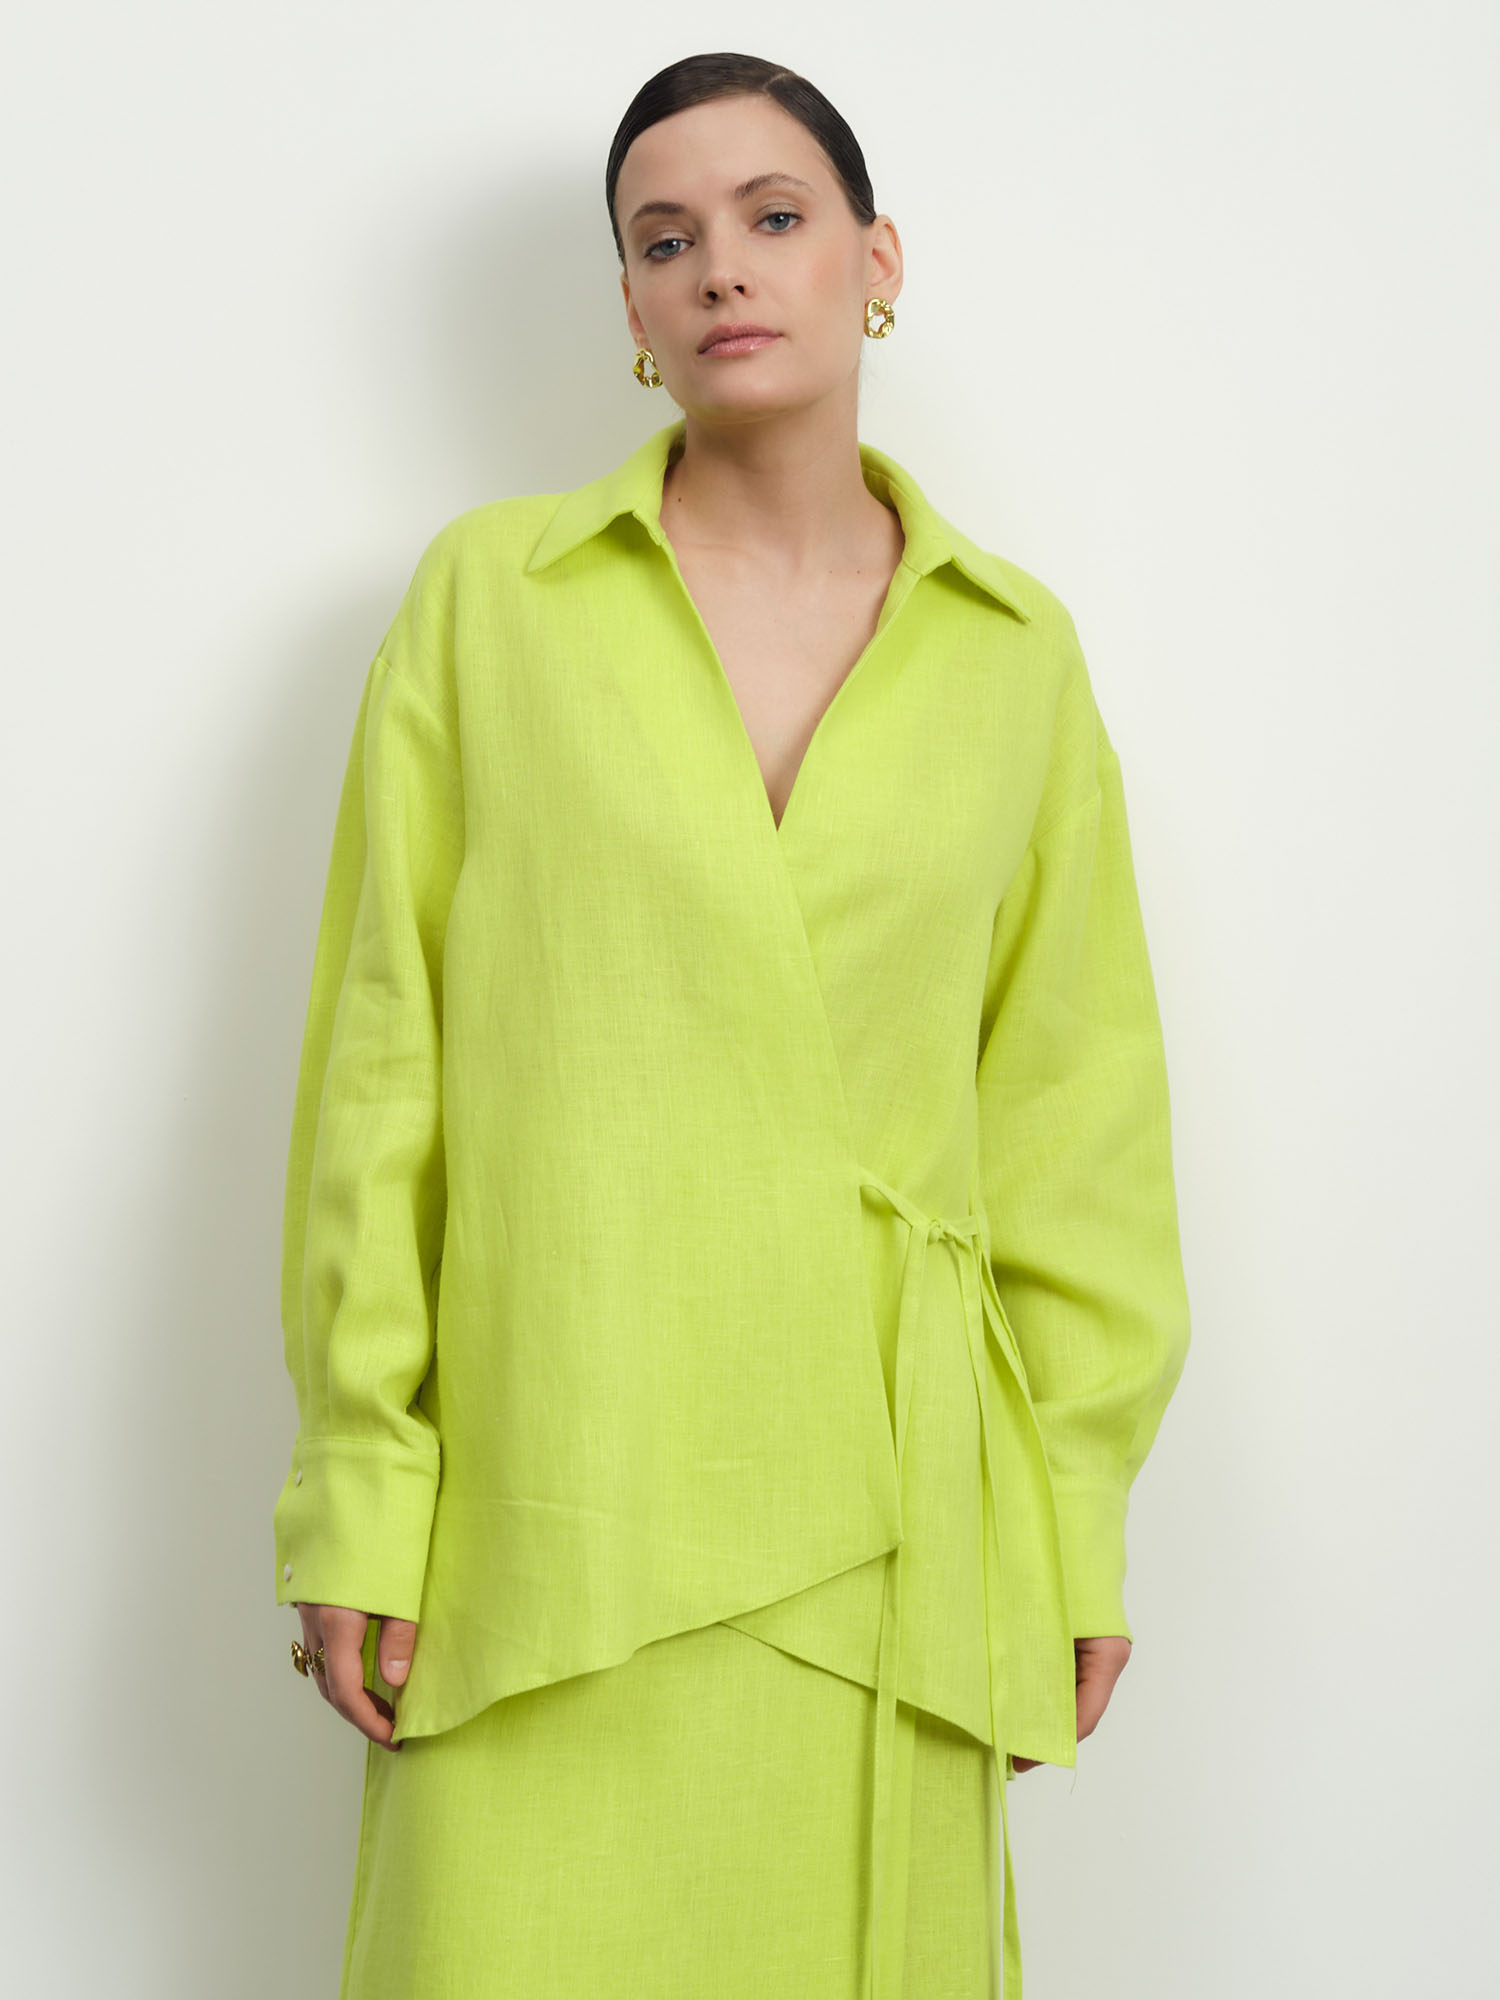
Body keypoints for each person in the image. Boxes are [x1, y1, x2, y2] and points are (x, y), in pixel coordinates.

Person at [272, 49, 1192, 2000]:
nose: (722, 268)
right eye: (664, 238)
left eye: (774, 215)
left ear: (877, 258)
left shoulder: (1016, 657)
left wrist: (1070, 1525)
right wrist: (366, 1481)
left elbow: (1079, 1128)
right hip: (545, 1501)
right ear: (629, 303)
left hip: (893, 1532)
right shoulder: (492, 603)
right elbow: (382, 1072)